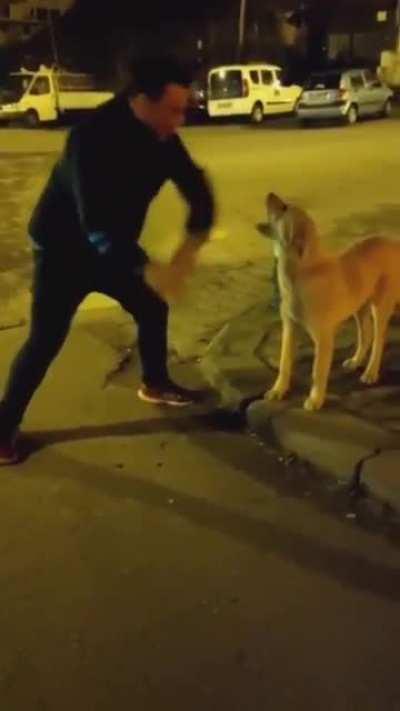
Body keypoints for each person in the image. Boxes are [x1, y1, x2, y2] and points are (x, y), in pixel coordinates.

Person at [0, 55, 216, 464]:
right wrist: (150, 269)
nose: (179, 121)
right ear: (140, 100)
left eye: (182, 109)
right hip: (63, 251)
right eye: (172, 110)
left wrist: (184, 257)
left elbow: (199, 196)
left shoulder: (163, 138)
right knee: (45, 340)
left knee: (152, 307)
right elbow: (98, 226)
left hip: (112, 247)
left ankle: (155, 382)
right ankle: (2, 429)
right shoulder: (90, 139)